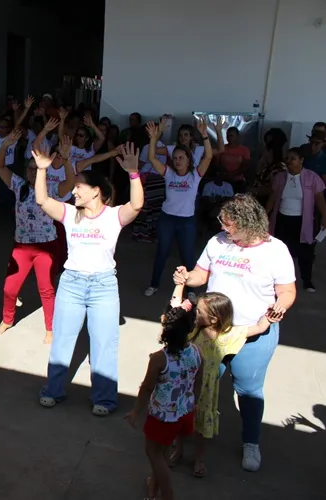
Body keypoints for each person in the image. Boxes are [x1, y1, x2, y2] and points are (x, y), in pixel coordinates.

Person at [173, 194, 296, 472]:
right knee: (197, 383)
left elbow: (287, 291)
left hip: (253, 334)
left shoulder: (276, 250)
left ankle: (251, 442)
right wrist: (185, 277)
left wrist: (280, 305)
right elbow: (200, 275)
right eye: (222, 222)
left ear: (249, 224)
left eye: (229, 224)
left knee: (249, 390)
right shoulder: (217, 242)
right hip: (212, 332)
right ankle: (186, 438)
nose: (223, 228)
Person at [35, 143, 144, 414]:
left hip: (103, 286)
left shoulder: (113, 216)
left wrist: (133, 173)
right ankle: (53, 390)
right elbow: (42, 200)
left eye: (79, 187)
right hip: (71, 283)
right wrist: (40, 171)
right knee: (62, 340)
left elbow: (137, 205)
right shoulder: (70, 214)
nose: (73, 191)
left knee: (104, 344)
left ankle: (104, 400)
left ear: (96, 190)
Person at [160, 282, 273, 478]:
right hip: (185, 386)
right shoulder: (191, 329)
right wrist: (179, 284)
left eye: (200, 311)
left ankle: (199, 457)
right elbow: (174, 309)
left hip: (206, 390)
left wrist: (271, 315)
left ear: (213, 318)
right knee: (180, 420)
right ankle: (178, 450)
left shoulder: (226, 336)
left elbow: (258, 327)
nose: (195, 312)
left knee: (202, 426)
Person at [0, 131, 76, 344]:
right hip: (21, 247)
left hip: (46, 246)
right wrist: (5, 145)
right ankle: (7, 319)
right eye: (29, 169)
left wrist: (66, 159)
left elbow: (70, 183)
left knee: (47, 289)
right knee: (9, 289)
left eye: (36, 168)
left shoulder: (50, 188)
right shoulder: (18, 185)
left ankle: (50, 328)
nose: (32, 172)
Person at [123, 293, 203, 500]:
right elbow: (198, 381)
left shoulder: (160, 359)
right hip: (184, 411)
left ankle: (167, 495)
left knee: (153, 453)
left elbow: (147, 387)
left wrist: (135, 411)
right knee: (164, 452)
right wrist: (195, 402)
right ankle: (153, 489)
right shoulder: (195, 351)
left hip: (163, 416)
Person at [143, 118, 212, 299]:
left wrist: (204, 135)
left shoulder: (195, 175)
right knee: (162, 253)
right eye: (175, 158)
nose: (178, 160)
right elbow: (151, 157)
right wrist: (153, 138)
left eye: (181, 157)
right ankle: (154, 284)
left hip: (187, 221)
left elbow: (209, 156)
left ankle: (190, 290)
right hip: (167, 219)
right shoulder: (169, 173)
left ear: (189, 160)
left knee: (188, 257)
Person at [266, 148, 326, 292]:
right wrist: (265, 214)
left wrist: (325, 215)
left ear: (301, 160)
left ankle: (307, 280)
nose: (289, 161)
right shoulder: (280, 177)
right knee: (281, 252)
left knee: (305, 252)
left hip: (303, 221)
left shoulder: (312, 177)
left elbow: (319, 199)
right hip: (282, 219)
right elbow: (273, 197)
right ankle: (278, 283)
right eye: (287, 158)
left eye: (293, 158)